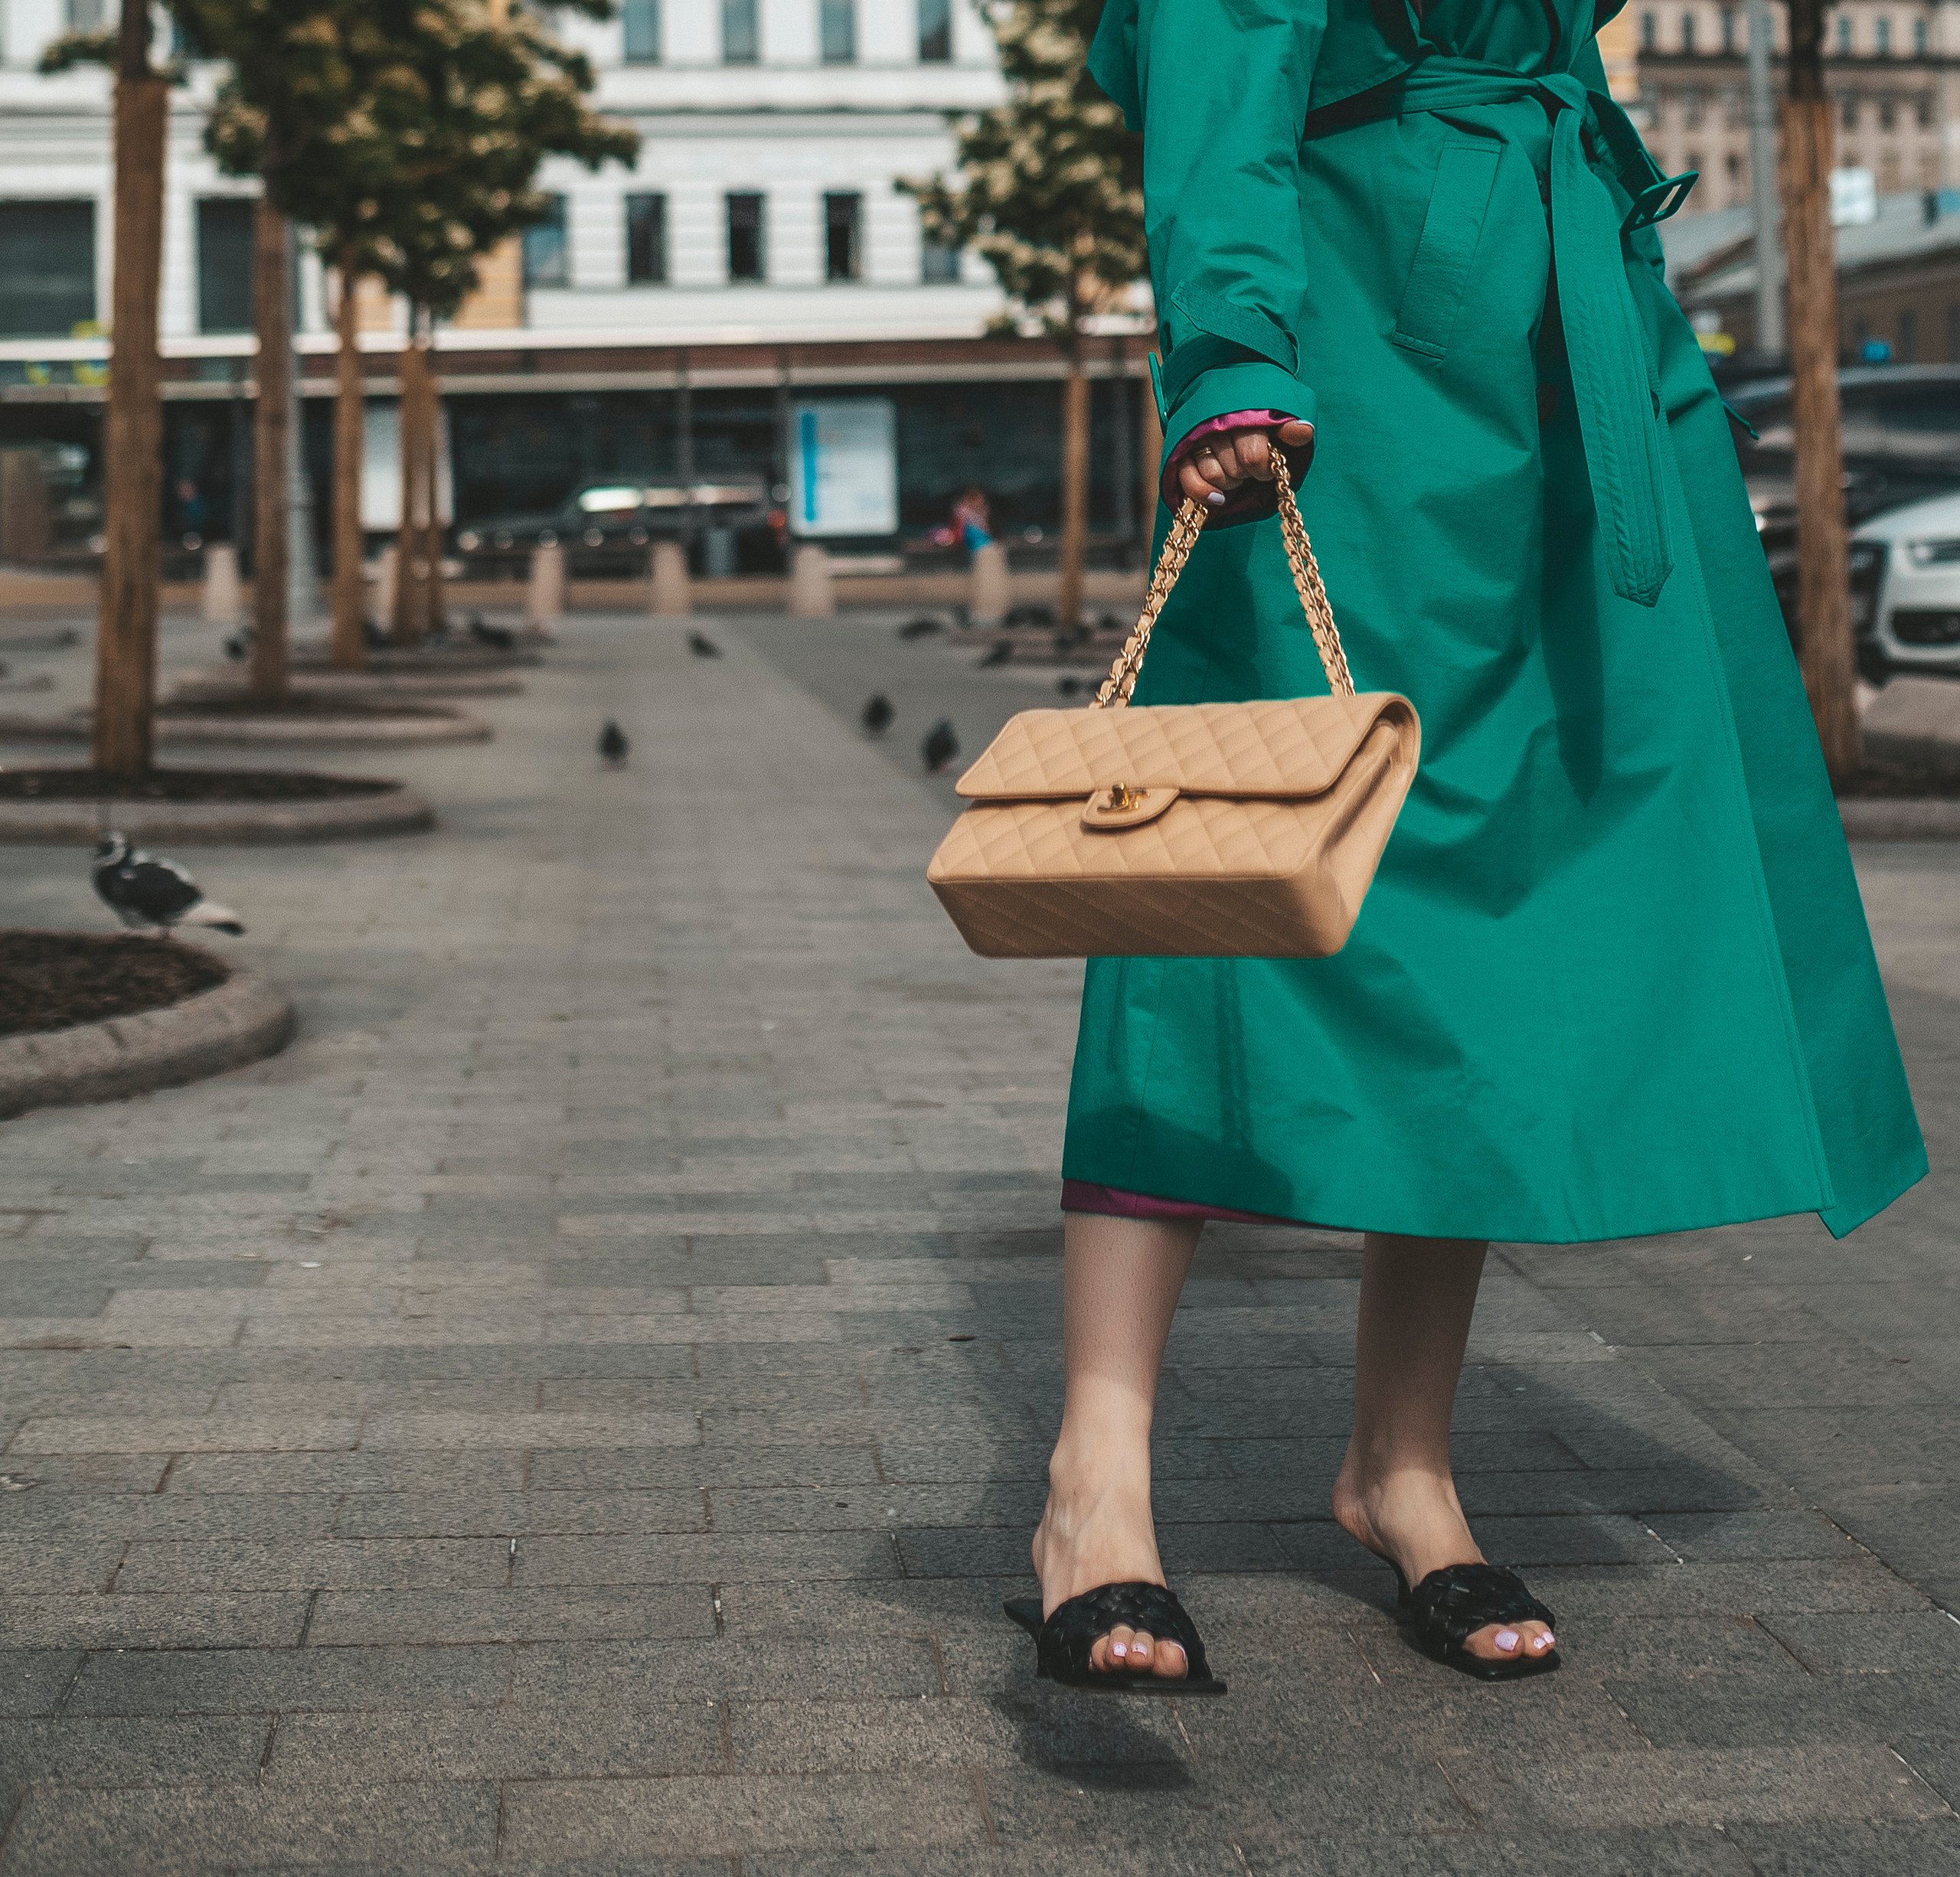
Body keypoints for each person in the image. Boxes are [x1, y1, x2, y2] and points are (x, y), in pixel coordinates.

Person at [1012, 0, 1926, 1693]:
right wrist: (1229, 343)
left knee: (1488, 917)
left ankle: (1399, 1465)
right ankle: (1096, 1482)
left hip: (1566, 371)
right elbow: (1219, 52)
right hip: (1337, 358)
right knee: (1210, 906)